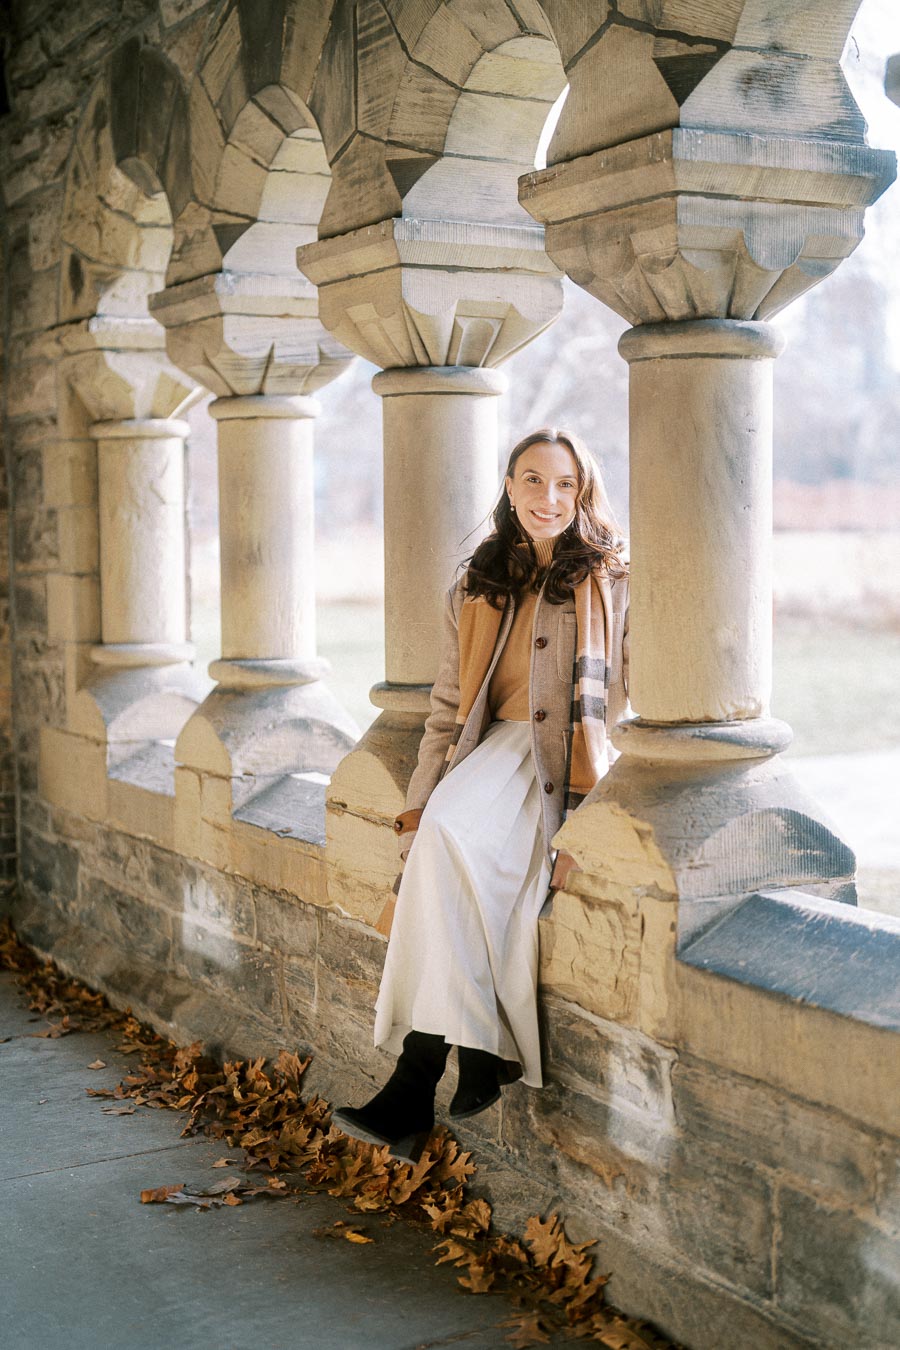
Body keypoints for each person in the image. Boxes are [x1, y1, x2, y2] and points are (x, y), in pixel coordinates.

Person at [332, 428, 630, 1160]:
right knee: (439, 844)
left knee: (462, 856)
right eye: (532, 480)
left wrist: (588, 832)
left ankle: (421, 1078)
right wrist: (413, 809)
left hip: (563, 763)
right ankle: (460, 1060)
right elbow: (444, 711)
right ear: (508, 485)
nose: (547, 498)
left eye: (565, 484)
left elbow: (630, 713)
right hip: (489, 752)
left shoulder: (614, 583)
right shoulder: (475, 586)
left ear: (584, 493)